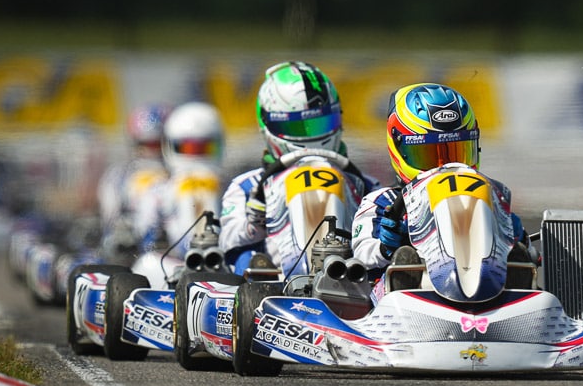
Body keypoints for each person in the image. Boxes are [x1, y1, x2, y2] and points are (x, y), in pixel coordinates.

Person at [350, 83, 532, 305]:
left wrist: (513, 234)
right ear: (399, 149)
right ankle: (405, 276)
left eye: (455, 152)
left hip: (487, 290)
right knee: (399, 268)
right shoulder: (383, 201)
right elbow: (360, 254)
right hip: (412, 300)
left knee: (518, 261)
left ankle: (513, 282)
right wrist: (385, 247)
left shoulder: (488, 198)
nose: (444, 167)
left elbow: (532, 255)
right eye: (428, 155)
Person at [218, 60, 379, 277]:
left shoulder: (365, 185)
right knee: (242, 254)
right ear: (268, 125)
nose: (310, 136)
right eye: (296, 126)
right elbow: (226, 238)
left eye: (320, 124)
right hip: (274, 283)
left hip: (352, 275)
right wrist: (253, 222)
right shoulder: (248, 187)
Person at [133, 101, 225, 260]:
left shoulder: (231, 187)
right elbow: (144, 232)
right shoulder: (159, 190)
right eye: (188, 148)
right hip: (173, 265)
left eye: (203, 148)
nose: (195, 156)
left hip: (222, 262)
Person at [96, 104, 170, 259]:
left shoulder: (178, 177)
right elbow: (109, 220)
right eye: (146, 144)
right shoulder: (119, 177)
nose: (152, 151)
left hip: (170, 250)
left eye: (157, 144)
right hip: (129, 254)